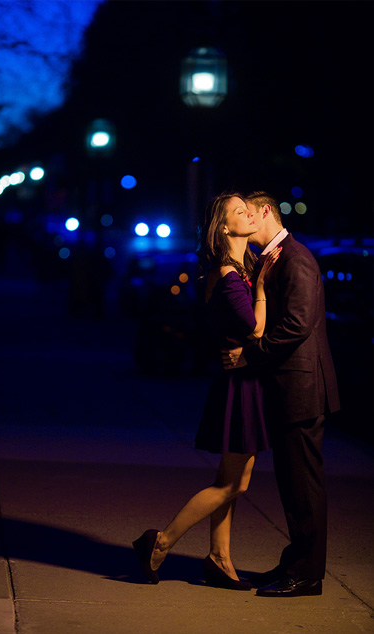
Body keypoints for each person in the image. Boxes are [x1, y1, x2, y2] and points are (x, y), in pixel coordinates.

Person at [132, 191, 280, 589]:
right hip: (240, 386)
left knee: (232, 478)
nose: (248, 214)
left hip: (243, 380)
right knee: (233, 483)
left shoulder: (238, 267)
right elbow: (254, 328)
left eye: (247, 209)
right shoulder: (230, 274)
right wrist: (263, 283)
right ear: (224, 227)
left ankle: (219, 558)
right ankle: (160, 542)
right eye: (238, 212)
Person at [222, 191, 340, 598]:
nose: (247, 221)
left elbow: (296, 325)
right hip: (290, 387)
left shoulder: (296, 258)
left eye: (248, 213)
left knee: (304, 485)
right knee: (293, 484)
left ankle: (307, 574)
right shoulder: (276, 258)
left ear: (266, 211)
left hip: (302, 389)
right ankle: (296, 561)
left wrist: (249, 354)